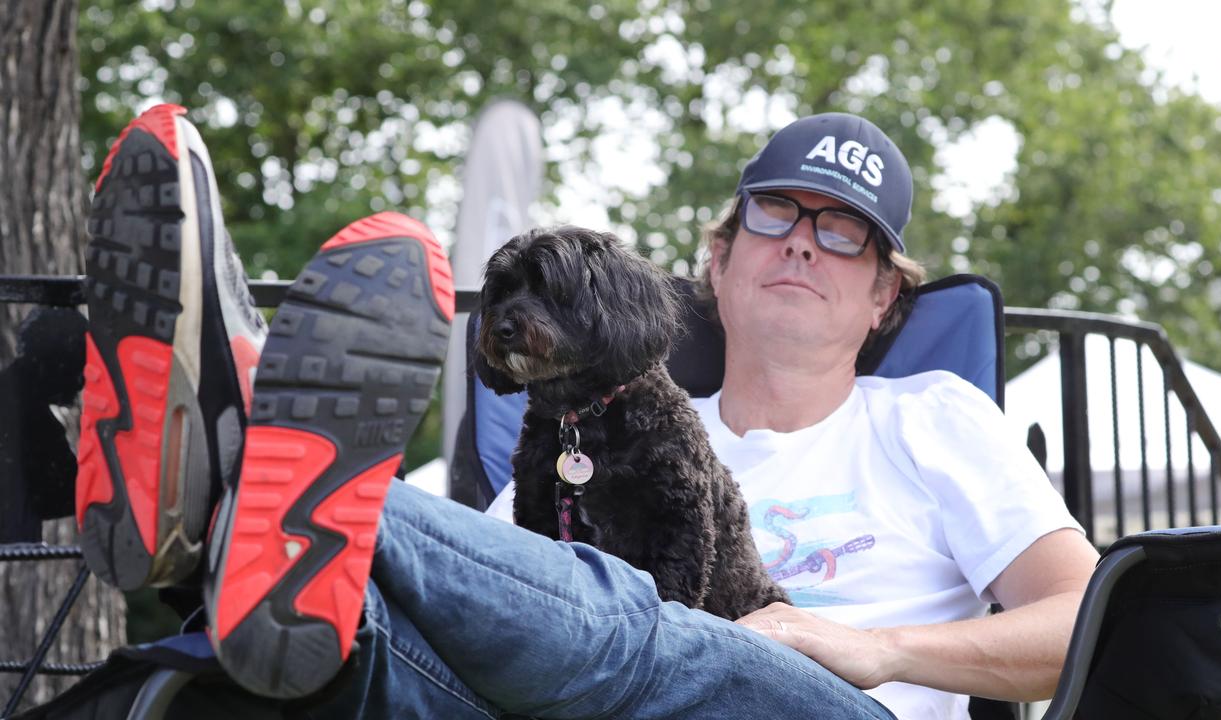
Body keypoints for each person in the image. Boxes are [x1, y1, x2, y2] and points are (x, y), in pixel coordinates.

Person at [74, 106, 1095, 720]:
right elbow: (477, 583)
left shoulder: (929, 417)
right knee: (365, 627)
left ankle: (230, 446)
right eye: (775, 213)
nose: (800, 244)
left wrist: (880, 648)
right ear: (719, 256)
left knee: (639, 617)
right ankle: (239, 499)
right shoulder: (593, 419)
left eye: (846, 237)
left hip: (817, 706)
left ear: (883, 300)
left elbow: (1089, 624)